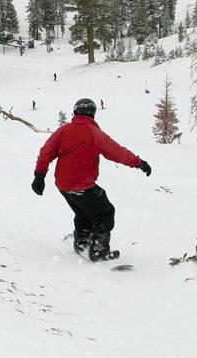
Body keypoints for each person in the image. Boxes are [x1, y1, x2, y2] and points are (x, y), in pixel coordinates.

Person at [31, 98, 151, 262]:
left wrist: (39, 176)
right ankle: (99, 251)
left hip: (63, 185)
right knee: (104, 212)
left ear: (75, 112)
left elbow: (46, 152)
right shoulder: (94, 133)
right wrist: (139, 163)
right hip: (82, 186)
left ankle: (82, 242)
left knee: (83, 212)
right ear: (92, 114)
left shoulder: (63, 131)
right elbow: (117, 152)